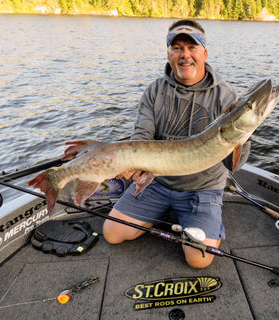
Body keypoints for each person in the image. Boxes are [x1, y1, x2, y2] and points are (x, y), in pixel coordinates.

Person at [103, 19, 250, 269]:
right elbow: (141, 139)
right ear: (169, 53)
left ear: (204, 52)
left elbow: (237, 163)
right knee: (112, 233)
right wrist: (132, 166)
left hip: (201, 189)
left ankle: (192, 217)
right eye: (177, 48)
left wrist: (244, 137)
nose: (185, 55)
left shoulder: (227, 97)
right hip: (157, 181)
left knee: (199, 260)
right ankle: (156, 213)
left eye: (192, 48)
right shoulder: (154, 91)